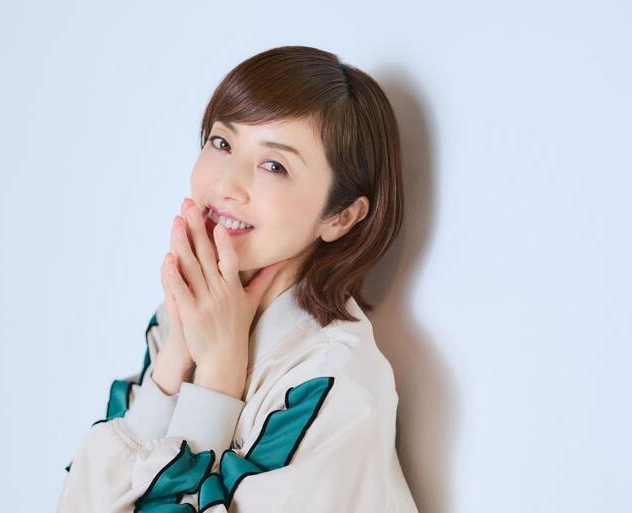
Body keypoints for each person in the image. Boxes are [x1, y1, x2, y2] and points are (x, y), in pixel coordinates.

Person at [57, 45, 418, 512]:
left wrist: (216, 384)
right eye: (222, 143)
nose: (225, 184)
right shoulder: (181, 317)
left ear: (341, 217)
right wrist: (175, 361)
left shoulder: (332, 384)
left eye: (274, 165)